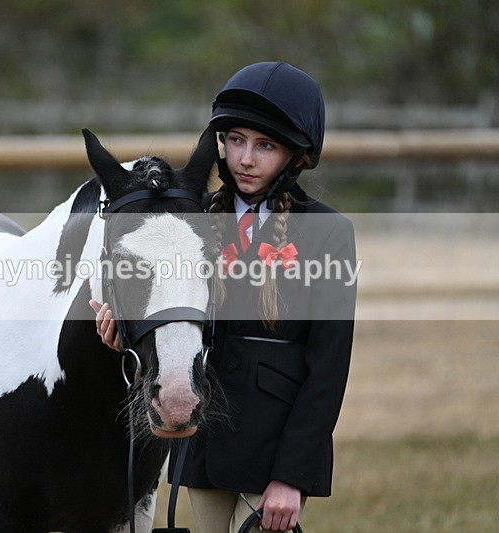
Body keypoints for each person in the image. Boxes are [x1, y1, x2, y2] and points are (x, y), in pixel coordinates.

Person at [90, 61, 356, 532]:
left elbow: (328, 369)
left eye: (265, 146)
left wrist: (291, 477)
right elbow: (171, 321)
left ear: (297, 156)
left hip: (275, 453)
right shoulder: (192, 222)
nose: (245, 160)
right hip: (207, 443)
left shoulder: (329, 233)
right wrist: (125, 336)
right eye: (235, 141)